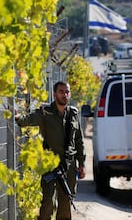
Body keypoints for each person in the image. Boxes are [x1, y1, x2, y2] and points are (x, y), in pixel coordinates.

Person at [15, 81, 86, 220]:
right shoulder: (45, 112)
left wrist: (81, 164)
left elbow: (79, 140)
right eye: (61, 92)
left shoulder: (73, 114)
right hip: (50, 165)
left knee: (65, 205)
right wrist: (18, 117)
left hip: (69, 166)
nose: (65, 95)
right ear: (54, 94)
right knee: (48, 203)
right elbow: (28, 119)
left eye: (67, 92)